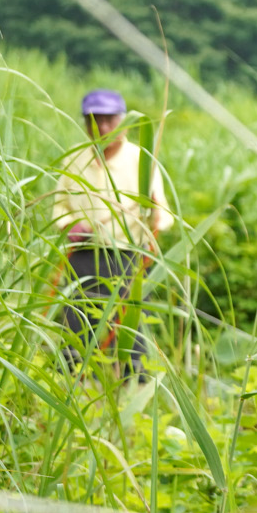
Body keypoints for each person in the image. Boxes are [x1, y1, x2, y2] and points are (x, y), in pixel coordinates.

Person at [52, 88, 172, 374]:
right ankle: (73, 383)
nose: (102, 127)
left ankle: (134, 385)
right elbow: (59, 206)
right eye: (94, 120)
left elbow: (164, 216)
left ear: (123, 122)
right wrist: (70, 225)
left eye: (109, 120)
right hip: (82, 254)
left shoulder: (142, 160)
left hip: (128, 257)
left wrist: (153, 217)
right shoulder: (74, 160)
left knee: (132, 325)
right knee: (76, 321)